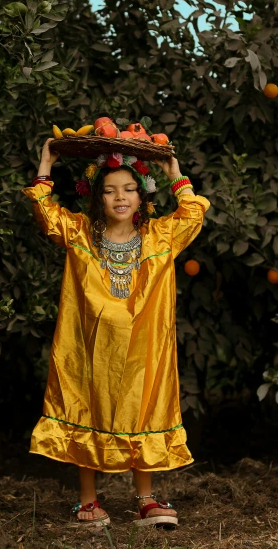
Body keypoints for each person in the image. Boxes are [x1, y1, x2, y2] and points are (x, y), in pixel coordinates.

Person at [22, 137, 210, 529]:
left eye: (128, 189)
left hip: (145, 349)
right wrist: (46, 163)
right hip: (89, 347)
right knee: (85, 405)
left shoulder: (161, 237)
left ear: (142, 198)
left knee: (143, 409)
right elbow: (44, 210)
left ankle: (145, 500)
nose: (119, 197)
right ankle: (88, 502)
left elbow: (193, 214)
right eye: (109, 191)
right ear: (97, 198)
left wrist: (174, 173)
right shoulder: (80, 233)